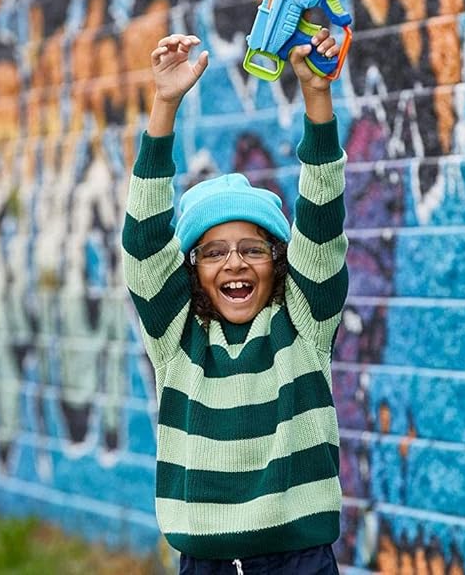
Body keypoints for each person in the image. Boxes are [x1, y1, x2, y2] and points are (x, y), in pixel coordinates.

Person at [122, 31, 349, 575]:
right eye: (214, 252)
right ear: (192, 269)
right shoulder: (176, 338)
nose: (235, 263)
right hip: (208, 563)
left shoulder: (304, 324)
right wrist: (164, 105)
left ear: (278, 260)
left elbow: (321, 220)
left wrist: (317, 97)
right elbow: (144, 243)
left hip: (300, 561)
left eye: (253, 249)